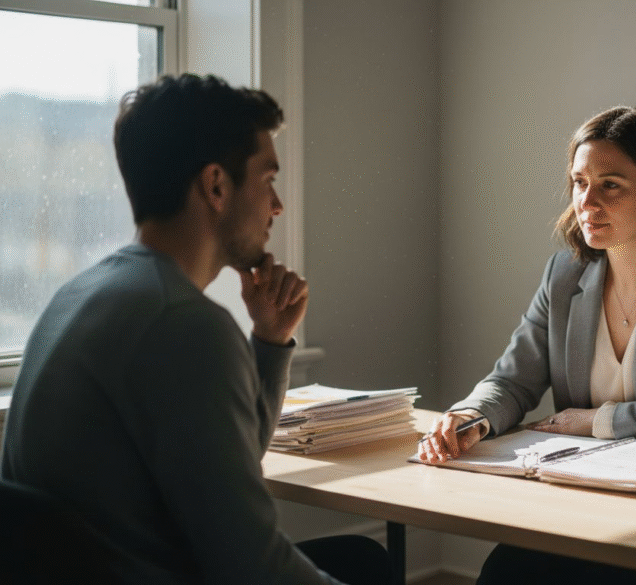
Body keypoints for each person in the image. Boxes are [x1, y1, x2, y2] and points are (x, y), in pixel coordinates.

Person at [0, 74, 391, 585]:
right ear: (216, 186)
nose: (277, 206)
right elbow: (252, 568)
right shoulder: (183, 325)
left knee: (360, 560)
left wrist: (270, 342)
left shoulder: (80, 294)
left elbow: (226, 467)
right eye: (268, 180)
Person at [418, 107, 636, 585]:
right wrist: (471, 416)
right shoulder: (565, 273)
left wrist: (600, 421)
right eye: (580, 182)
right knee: (504, 572)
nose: (587, 202)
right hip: (580, 501)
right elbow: (513, 380)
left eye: (610, 185)